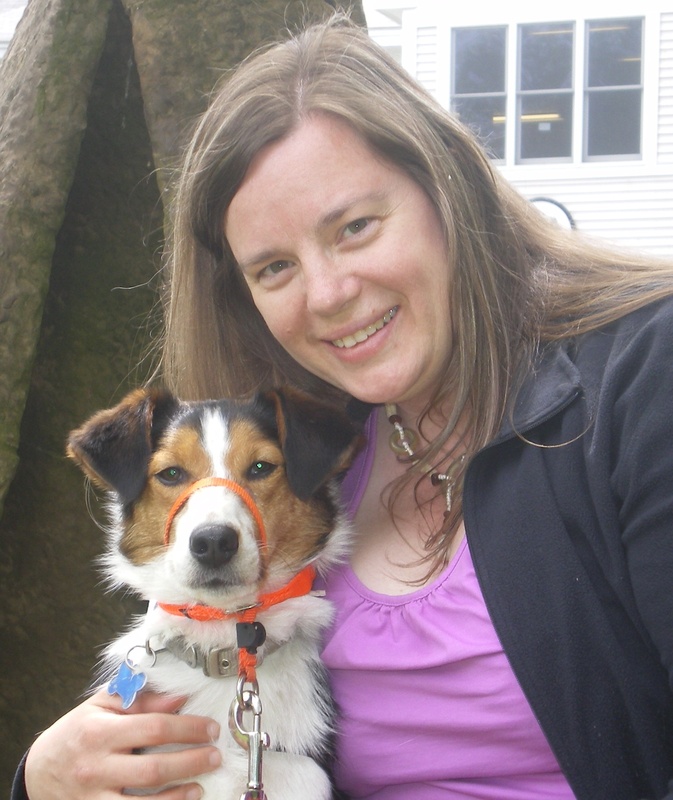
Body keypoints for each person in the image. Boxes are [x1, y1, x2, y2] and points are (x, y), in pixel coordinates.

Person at [13, 12, 673, 800]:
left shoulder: (640, 376)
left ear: (446, 188)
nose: (328, 296)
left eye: (355, 227)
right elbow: (163, 679)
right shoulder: (309, 449)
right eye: (274, 267)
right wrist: (39, 778)